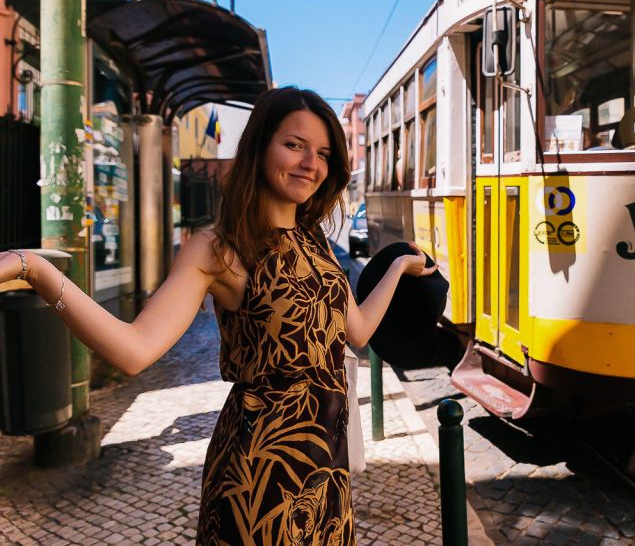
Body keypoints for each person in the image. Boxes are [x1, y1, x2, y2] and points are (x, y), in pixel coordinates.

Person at [0, 86, 438, 545]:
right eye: (294, 145)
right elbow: (133, 351)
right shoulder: (218, 248)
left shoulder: (316, 243)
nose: (311, 163)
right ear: (259, 147)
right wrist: (38, 271)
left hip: (327, 472)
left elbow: (359, 330)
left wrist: (397, 267)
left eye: (324, 153)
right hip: (260, 473)